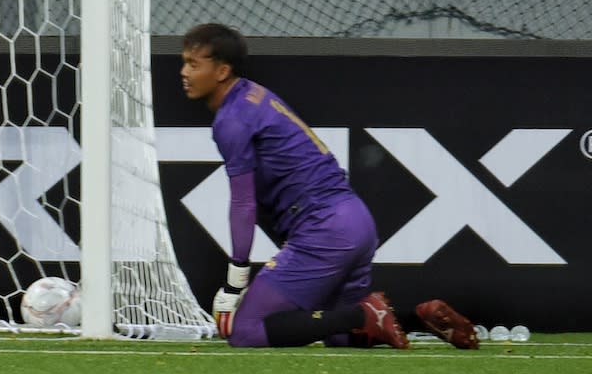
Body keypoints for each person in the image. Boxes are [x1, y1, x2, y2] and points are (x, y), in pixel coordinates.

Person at [180, 23, 477, 349]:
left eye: (194, 64)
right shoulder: (253, 94)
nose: (184, 72)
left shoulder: (231, 119)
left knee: (245, 331)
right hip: (354, 222)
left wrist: (236, 281)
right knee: (336, 335)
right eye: (184, 63)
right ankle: (414, 316)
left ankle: (364, 314)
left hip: (323, 230)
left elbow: (243, 204)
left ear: (222, 71)